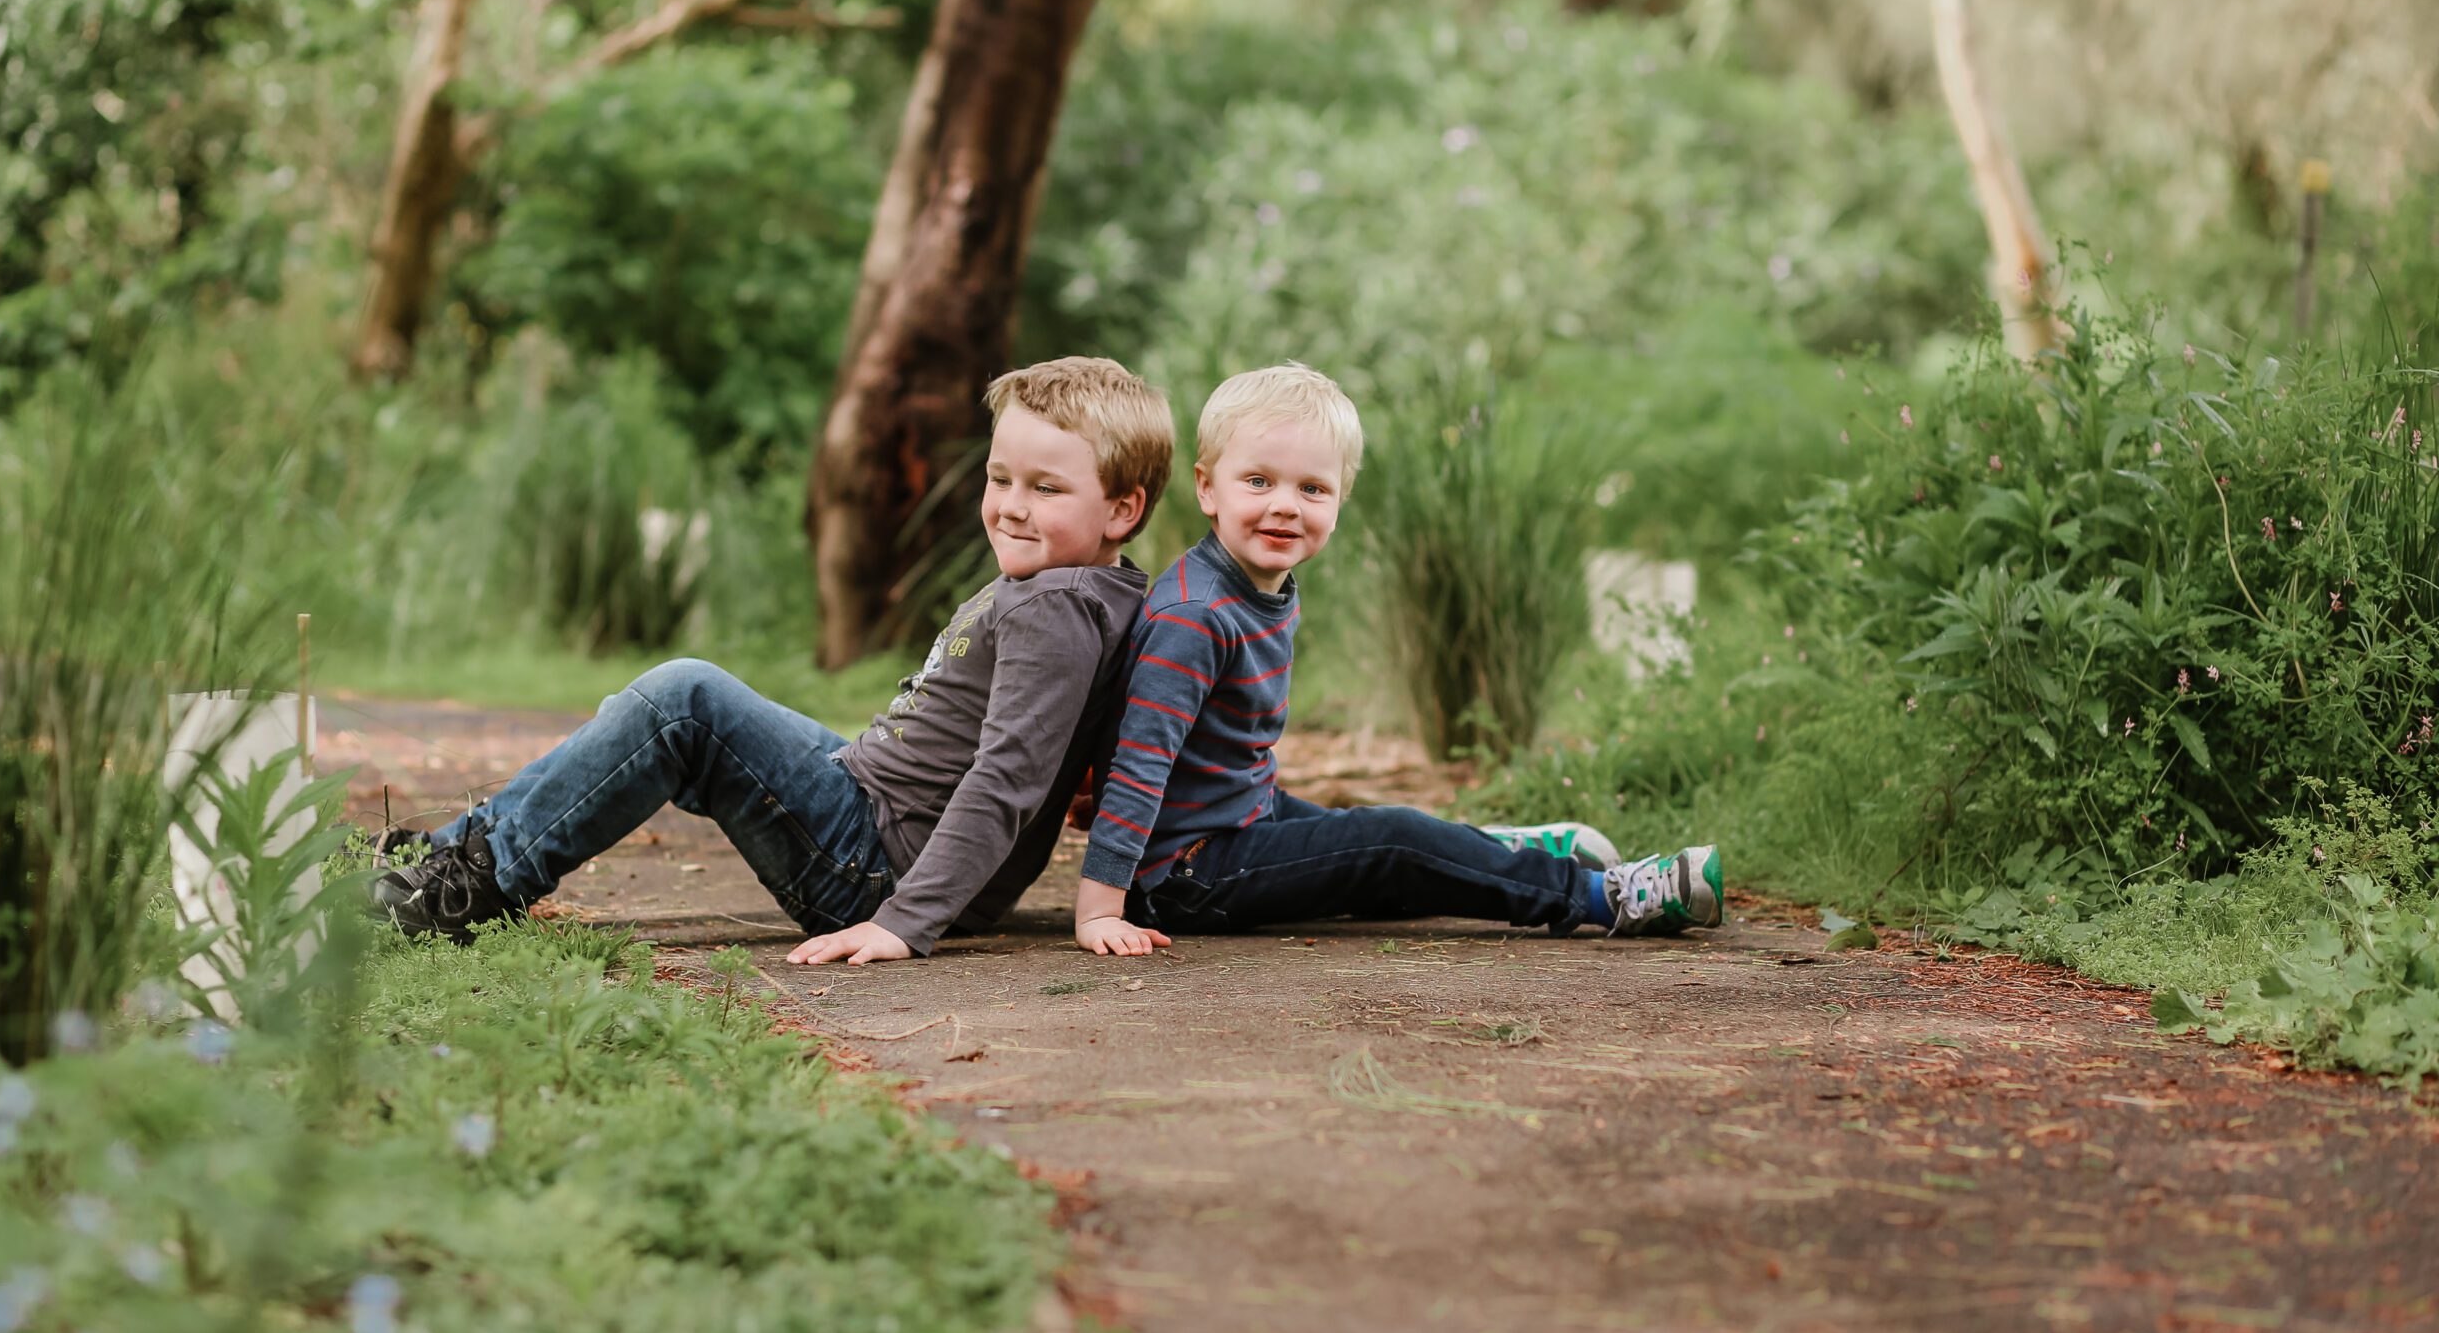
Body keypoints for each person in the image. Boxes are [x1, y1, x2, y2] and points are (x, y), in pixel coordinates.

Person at [369, 357, 1174, 966]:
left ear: (1122, 508)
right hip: (869, 807)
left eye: (1046, 488)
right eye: (1001, 478)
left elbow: (1009, 778)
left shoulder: (1056, 606)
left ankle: (472, 886)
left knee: (684, 700)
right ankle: (453, 853)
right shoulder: (1086, 591)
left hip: (876, 866)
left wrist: (904, 920)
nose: (1012, 504)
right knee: (678, 711)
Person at [1070, 362, 1719, 959]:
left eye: (1313, 487)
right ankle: (1602, 896)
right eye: (1259, 481)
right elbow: (1138, 763)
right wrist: (1102, 906)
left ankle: (1490, 853)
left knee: (1371, 843)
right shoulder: (1197, 615)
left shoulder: (1259, 583)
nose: (1286, 504)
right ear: (1208, 489)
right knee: (1392, 843)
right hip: (1183, 872)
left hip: (1238, 817)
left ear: (1339, 500)